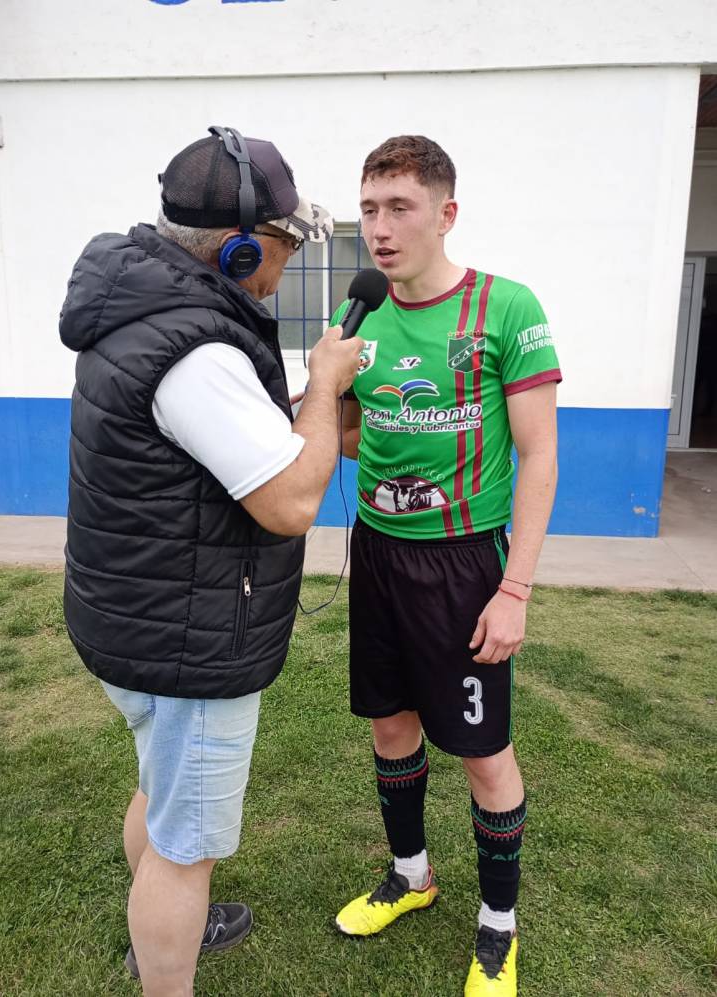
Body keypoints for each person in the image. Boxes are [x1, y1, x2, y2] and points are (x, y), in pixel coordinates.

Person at [59, 126, 362, 997]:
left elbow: (227, 451)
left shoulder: (151, 309)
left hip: (138, 619)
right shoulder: (198, 352)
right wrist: (328, 385)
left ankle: (161, 916)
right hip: (185, 641)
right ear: (235, 249)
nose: (286, 261)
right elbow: (293, 500)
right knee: (186, 847)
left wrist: (297, 413)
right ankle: (167, 960)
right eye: (283, 244)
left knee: (162, 792)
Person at [331, 135, 561, 997]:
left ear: (444, 213)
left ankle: (498, 926)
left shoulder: (505, 308)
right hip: (379, 556)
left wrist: (514, 589)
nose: (380, 229)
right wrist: (321, 398)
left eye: (399, 208)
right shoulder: (359, 321)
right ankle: (412, 873)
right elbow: (356, 434)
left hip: (466, 565)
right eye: (368, 209)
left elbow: (540, 457)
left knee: (481, 750)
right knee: (391, 726)